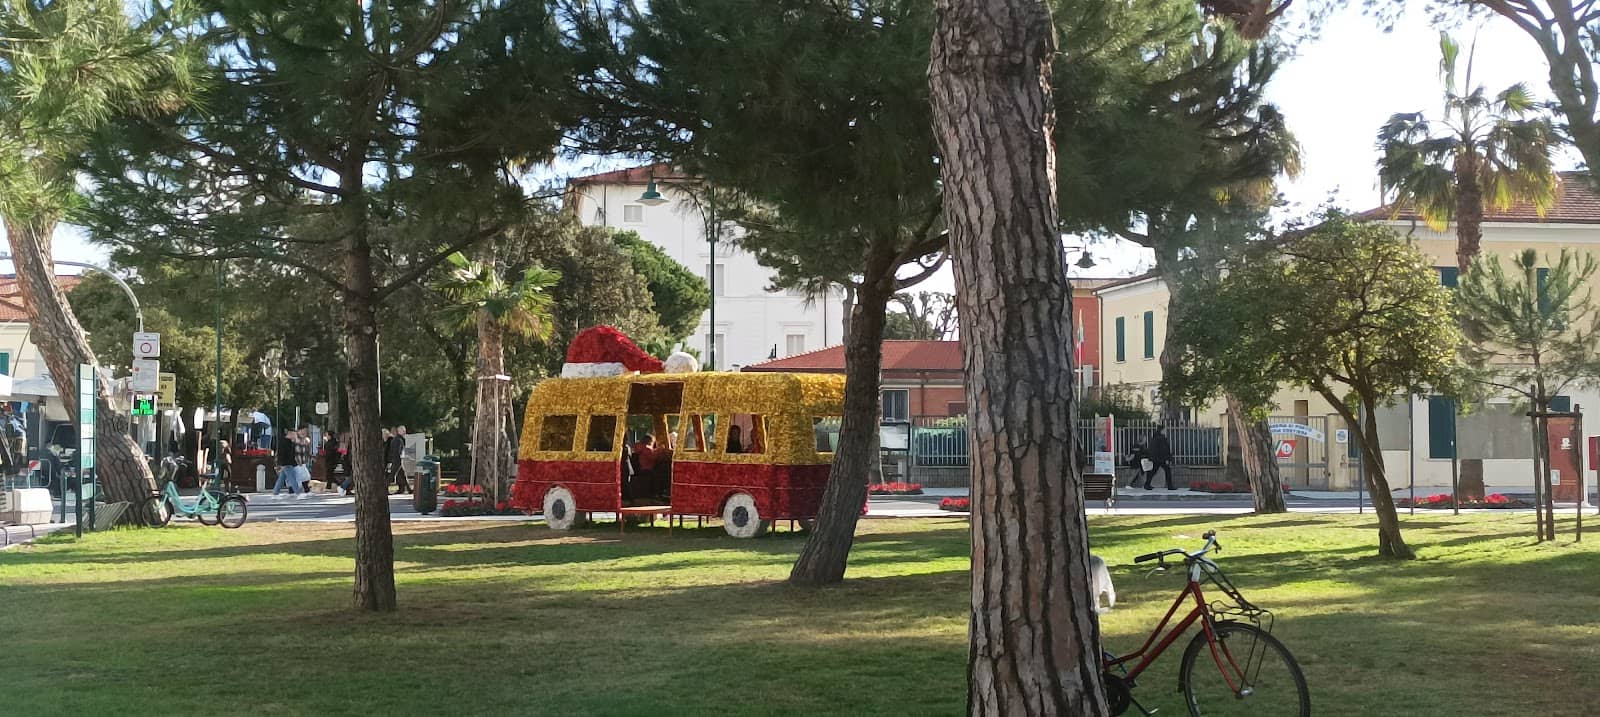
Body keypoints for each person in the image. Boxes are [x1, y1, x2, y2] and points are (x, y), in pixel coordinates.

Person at [272, 429, 307, 498]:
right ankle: (298, 493)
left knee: (281, 479)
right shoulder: (284, 442)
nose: (295, 436)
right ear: (290, 434)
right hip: (286, 463)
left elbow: (292, 454)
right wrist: (282, 464)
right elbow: (281, 454)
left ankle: (275, 493)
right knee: (292, 478)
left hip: (288, 462)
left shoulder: (290, 442)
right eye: (294, 434)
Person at [1141, 425, 1175, 490]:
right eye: (1164, 430)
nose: (1165, 431)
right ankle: (1170, 486)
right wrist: (1167, 458)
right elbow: (1164, 450)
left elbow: (1152, 449)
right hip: (1161, 458)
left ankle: (1147, 484)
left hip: (1155, 458)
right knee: (1167, 470)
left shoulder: (1155, 437)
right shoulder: (1161, 438)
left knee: (1153, 471)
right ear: (1161, 430)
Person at [386, 426, 409, 494]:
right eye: (403, 430)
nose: (404, 432)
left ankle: (407, 489)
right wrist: (398, 458)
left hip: (397, 459)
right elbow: (397, 451)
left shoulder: (397, 439)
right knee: (392, 475)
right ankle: (385, 488)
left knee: (402, 475)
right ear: (399, 431)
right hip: (397, 460)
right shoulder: (398, 439)